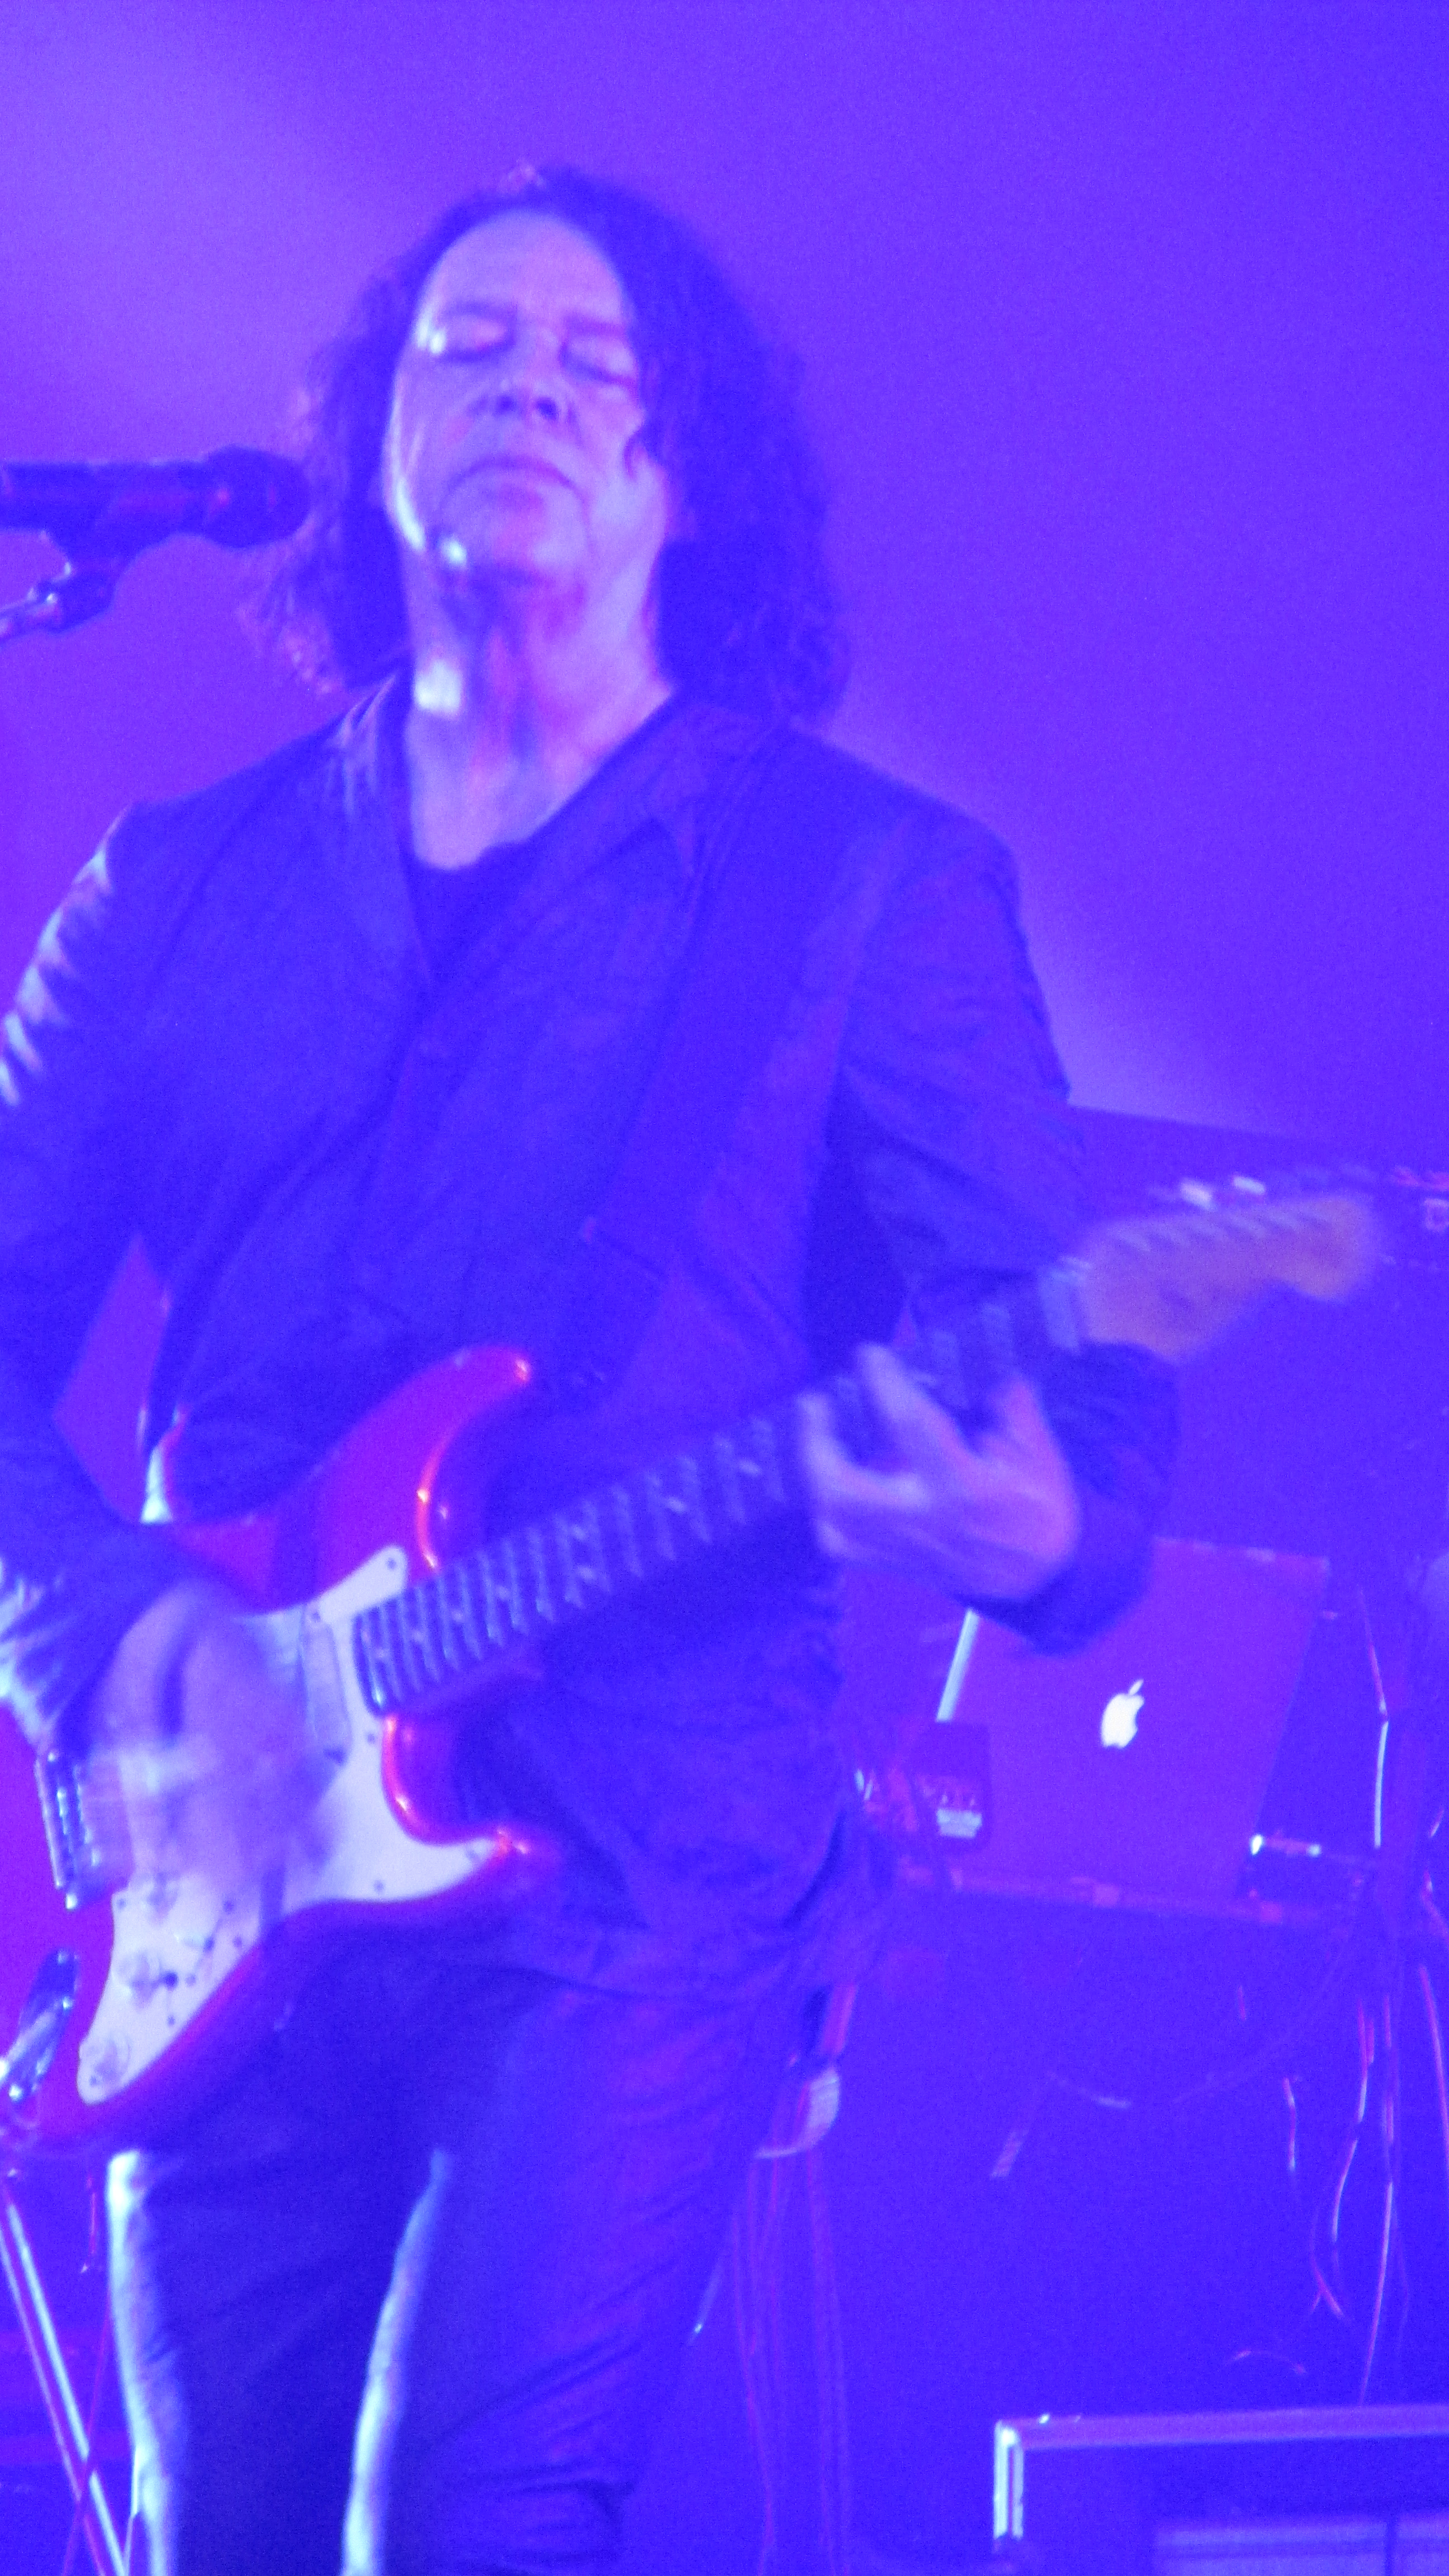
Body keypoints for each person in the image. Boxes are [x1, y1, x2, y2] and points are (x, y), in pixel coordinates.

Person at [0, 168, 1175, 2575]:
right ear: (370, 441)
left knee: (461, 2525)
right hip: (229, 1869)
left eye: (594, 361)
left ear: (680, 472)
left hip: (640, 1877)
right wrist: (118, 1642)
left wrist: (1045, 1518)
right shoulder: (176, 881)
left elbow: (1070, 1360)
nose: (527, 385)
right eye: (470, 347)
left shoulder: (860, 884)